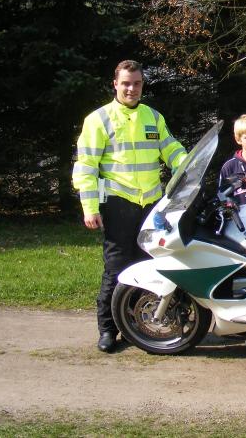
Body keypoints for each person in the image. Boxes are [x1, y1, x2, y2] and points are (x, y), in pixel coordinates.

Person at [72, 60, 187, 353]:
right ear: (115, 84)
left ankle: (135, 327)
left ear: (142, 84)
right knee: (116, 268)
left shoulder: (153, 116)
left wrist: (187, 164)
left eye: (136, 83)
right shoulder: (98, 119)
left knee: (147, 266)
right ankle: (107, 330)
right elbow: (86, 167)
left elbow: (171, 149)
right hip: (118, 204)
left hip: (151, 204)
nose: (131, 89)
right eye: (125, 83)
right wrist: (89, 207)